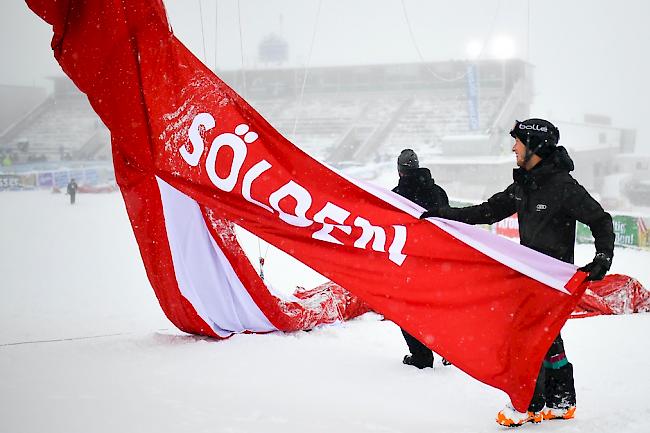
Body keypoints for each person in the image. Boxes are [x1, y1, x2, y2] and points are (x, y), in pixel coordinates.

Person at [420, 118, 614, 426]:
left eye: (518, 142)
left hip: (552, 281)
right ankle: (562, 401)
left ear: (535, 146)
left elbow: (601, 220)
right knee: (546, 339)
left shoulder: (563, 188)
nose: (513, 147)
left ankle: (528, 405)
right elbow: (488, 210)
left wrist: (602, 257)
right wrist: (444, 216)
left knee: (525, 341)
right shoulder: (526, 184)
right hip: (528, 277)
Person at [392, 149, 451, 369]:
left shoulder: (395, 195)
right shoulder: (438, 192)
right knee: (439, 307)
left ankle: (421, 356)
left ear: (399, 171)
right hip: (439, 261)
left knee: (408, 311)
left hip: (410, 263)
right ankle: (450, 350)